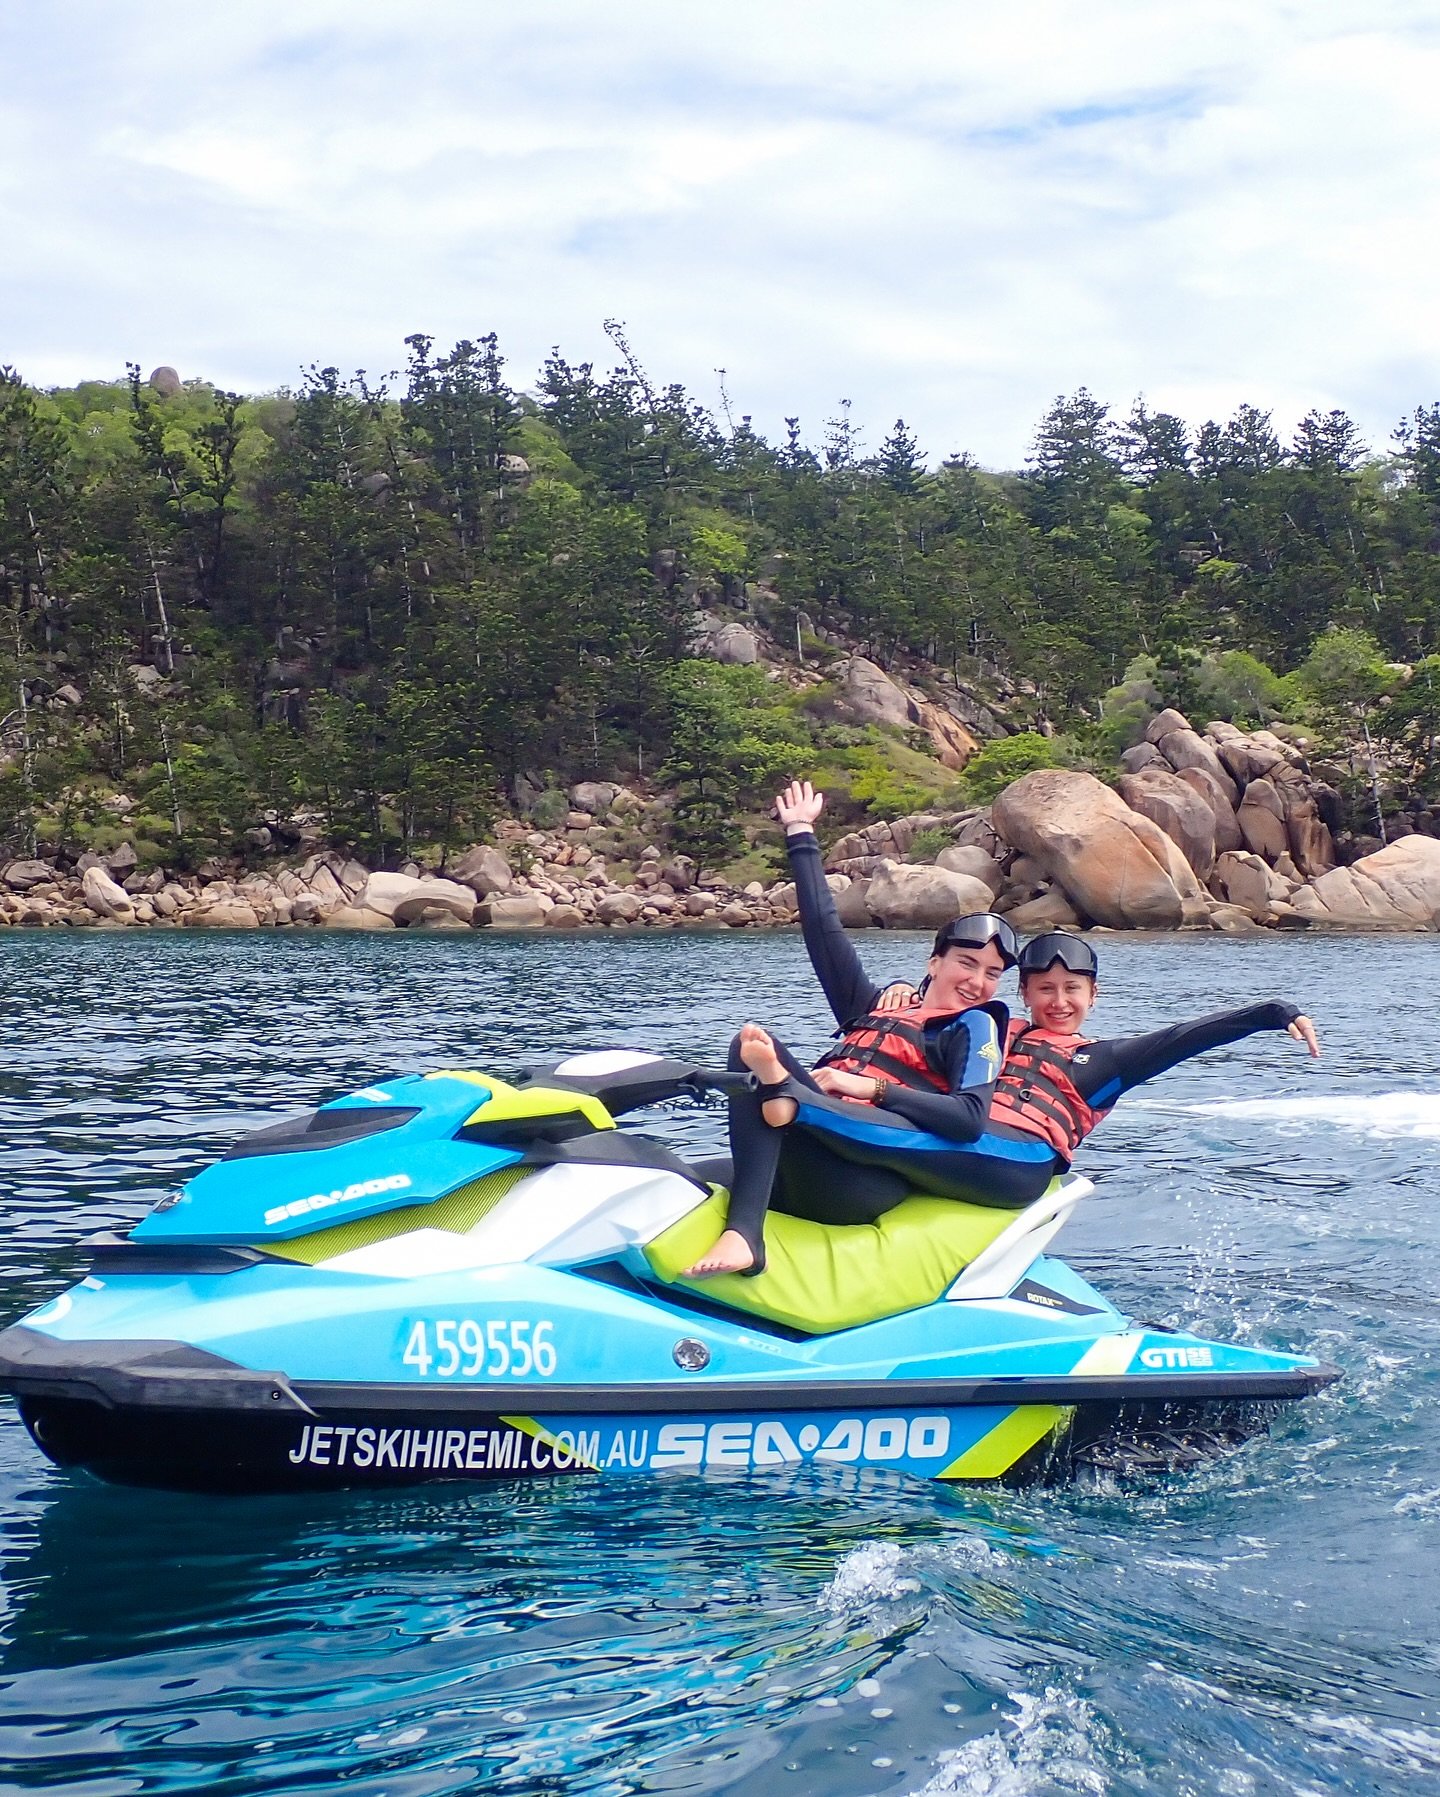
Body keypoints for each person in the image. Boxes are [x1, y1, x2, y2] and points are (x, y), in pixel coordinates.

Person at [685, 780, 1026, 1278]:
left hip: (859, 1178)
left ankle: (745, 1235)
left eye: (992, 974)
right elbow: (824, 934)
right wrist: (800, 833)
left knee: (758, 1054)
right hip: (799, 1159)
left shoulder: (972, 1027)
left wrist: (873, 1088)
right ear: (934, 963)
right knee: (676, 1173)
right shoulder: (872, 1008)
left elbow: (970, 1118)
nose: (977, 982)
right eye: (967, 964)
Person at [877, 928, 1320, 1182]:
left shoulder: (1105, 1062)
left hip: (1022, 1158)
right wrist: (902, 986)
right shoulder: (990, 1032)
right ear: (1025, 994)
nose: (1059, 1002)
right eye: (1045, 989)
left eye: (1072, 989)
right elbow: (926, 1016)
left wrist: (1274, 1013)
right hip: (958, 1134)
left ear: (1093, 995)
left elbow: (1187, 1037)